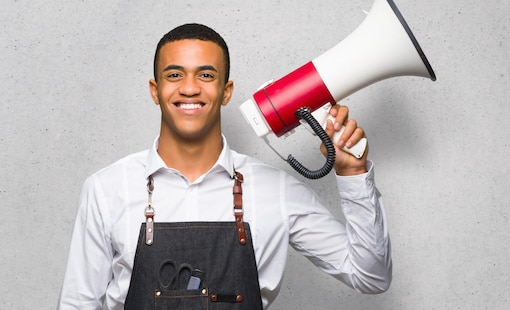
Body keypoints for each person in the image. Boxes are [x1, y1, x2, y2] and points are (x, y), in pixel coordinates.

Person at [57, 23, 391, 309]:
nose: (189, 88)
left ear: (226, 91)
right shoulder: (106, 189)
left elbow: (371, 276)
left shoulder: (276, 191)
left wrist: (351, 173)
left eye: (206, 74)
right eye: (175, 75)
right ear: (155, 91)